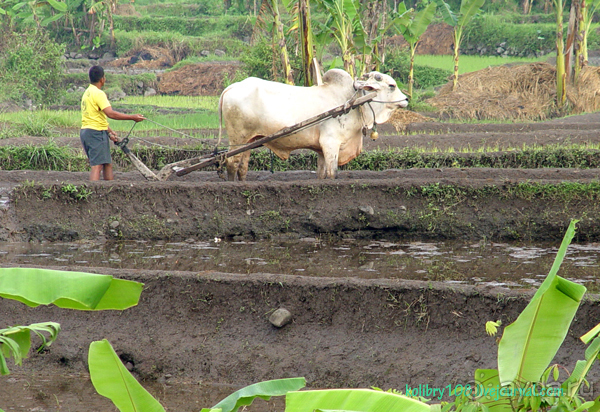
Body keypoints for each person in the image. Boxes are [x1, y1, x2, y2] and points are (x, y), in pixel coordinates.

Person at [80, 65, 145, 181]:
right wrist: (132, 117)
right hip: (95, 133)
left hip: (88, 131)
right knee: (97, 165)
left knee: (106, 164)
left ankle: (109, 190)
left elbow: (95, 117)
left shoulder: (87, 92)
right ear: (102, 79)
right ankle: (94, 193)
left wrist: (109, 132)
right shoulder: (99, 94)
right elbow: (110, 114)